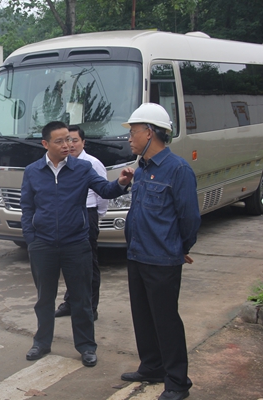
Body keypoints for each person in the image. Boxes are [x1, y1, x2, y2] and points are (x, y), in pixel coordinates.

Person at [20, 121, 133, 367]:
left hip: (76, 244)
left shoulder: (82, 168)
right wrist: (31, 239)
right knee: (44, 299)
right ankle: (41, 342)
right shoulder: (32, 171)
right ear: (45, 144)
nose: (67, 145)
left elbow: (105, 189)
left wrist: (121, 183)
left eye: (69, 140)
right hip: (43, 245)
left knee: (81, 299)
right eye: (60, 141)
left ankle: (86, 346)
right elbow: (27, 207)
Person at [119, 103, 200, 400]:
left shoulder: (178, 169)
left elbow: (189, 218)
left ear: (150, 133)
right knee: (142, 317)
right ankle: (152, 366)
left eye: (134, 131)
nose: (129, 138)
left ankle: (177, 382)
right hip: (137, 255)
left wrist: (179, 248)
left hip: (162, 260)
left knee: (166, 321)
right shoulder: (142, 169)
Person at [55, 125, 108, 320]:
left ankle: (91, 307)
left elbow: (104, 193)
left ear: (83, 142)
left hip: (88, 213)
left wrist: (97, 215)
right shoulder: (62, 163)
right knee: (69, 261)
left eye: (75, 140)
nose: (70, 145)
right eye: (66, 140)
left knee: (88, 263)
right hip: (68, 216)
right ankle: (70, 302)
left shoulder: (92, 164)